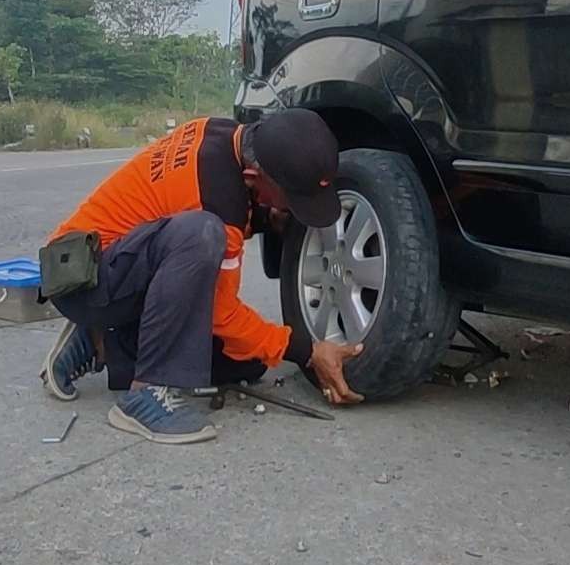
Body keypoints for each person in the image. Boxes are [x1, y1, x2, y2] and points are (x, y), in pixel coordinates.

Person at [39, 109, 364, 445]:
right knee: (202, 234)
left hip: (122, 262)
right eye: (293, 199)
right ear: (255, 175)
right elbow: (220, 314)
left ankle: (100, 344)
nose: (296, 209)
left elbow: (193, 204)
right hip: (82, 276)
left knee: (248, 361)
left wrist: (265, 218)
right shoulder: (216, 203)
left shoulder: (225, 135)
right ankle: (146, 393)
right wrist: (306, 350)